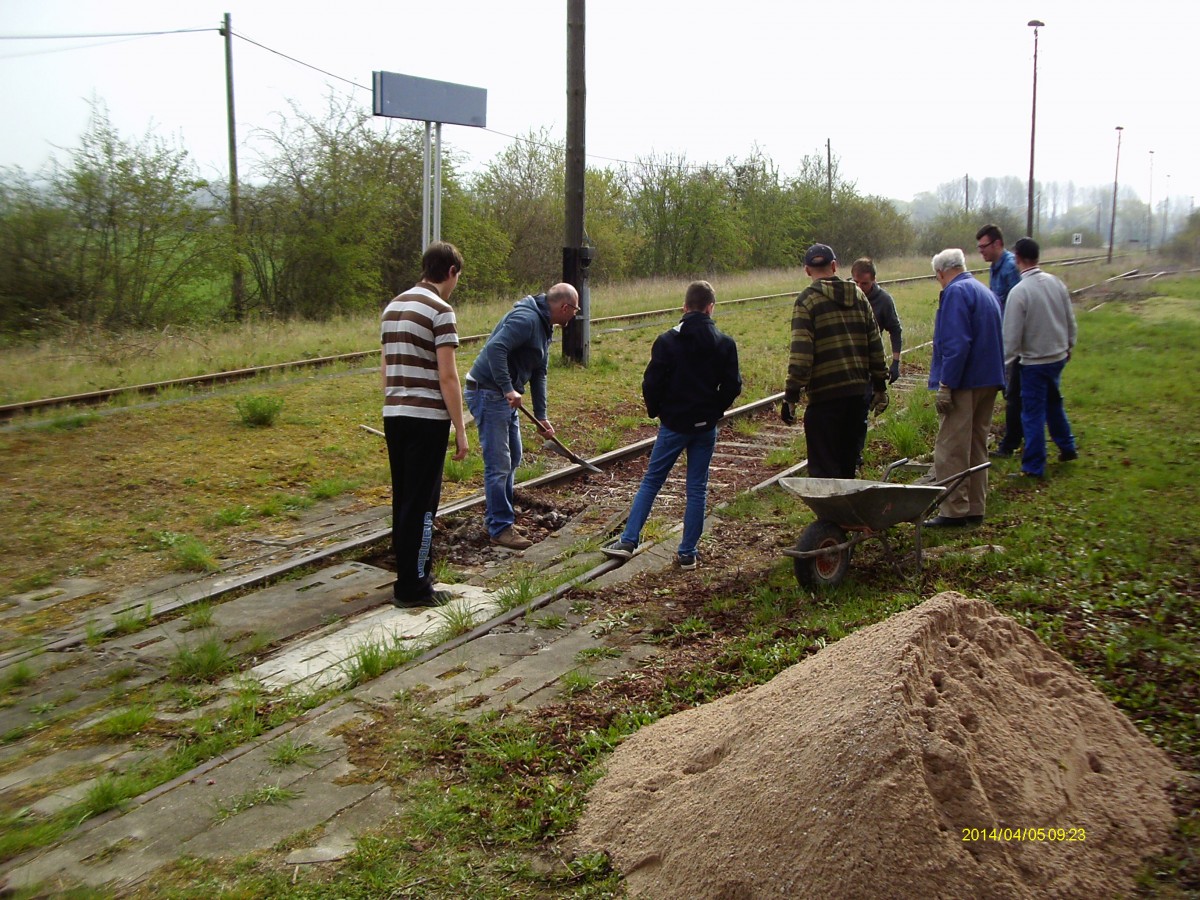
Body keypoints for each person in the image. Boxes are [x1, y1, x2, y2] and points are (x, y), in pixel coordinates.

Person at [602, 281, 741, 570]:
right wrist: (715, 410)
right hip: (705, 427)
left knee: (652, 480)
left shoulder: (667, 341)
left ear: (685, 307)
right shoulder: (725, 343)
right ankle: (688, 552)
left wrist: (658, 412)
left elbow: (651, 382)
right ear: (710, 308)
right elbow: (732, 385)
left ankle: (628, 540)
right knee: (697, 488)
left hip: (674, 424)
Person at [381, 241, 470, 608]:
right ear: (451, 272)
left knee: (404, 498)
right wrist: (460, 429)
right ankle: (414, 588)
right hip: (426, 419)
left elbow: (386, 367)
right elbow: (448, 377)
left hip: (394, 414)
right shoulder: (441, 310)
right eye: (457, 278)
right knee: (423, 505)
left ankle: (410, 576)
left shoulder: (393, 306)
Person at [465, 282, 580, 550]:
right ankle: (500, 527)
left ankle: (501, 516)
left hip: (503, 395)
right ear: (565, 307)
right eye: (574, 311)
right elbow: (495, 349)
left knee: (513, 457)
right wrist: (508, 388)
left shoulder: (545, 324)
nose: (574, 316)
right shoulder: (527, 319)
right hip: (489, 392)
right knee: (499, 464)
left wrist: (542, 416)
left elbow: (539, 371)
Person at [780, 244, 888, 478]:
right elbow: (875, 344)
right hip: (858, 393)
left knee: (824, 467)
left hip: (825, 397)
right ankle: (846, 512)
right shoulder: (859, 295)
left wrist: (791, 396)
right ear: (834, 266)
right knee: (848, 463)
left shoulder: (806, 301)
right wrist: (880, 386)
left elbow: (801, 355)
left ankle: (830, 514)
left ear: (807, 270)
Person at [925, 248, 1006, 527]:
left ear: (941, 273)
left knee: (951, 448)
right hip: (989, 379)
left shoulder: (956, 293)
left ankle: (953, 511)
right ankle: (975, 506)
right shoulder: (984, 291)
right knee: (976, 445)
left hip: (965, 382)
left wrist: (947, 383)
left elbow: (957, 344)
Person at [1003, 237, 1079, 478]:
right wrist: (1069, 345)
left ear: (1017, 258)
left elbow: (1011, 337)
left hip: (1034, 362)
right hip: (1057, 357)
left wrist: (1003, 366)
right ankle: (1067, 446)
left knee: (1032, 412)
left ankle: (1033, 466)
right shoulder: (1056, 283)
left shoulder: (1020, 291)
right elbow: (1070, 320)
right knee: (1054, 403)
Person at [976, 223, 1023, 458]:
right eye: (979, 247)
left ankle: (1012, 443)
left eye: (984, 246)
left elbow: (1020, 306)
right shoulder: (995, 266)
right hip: (1001, 339)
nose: (981, 251)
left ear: (997, 244)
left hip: (1014, 341)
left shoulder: (1011, 267)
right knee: (1011, 391)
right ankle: (1016, 437)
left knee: (1014, 392)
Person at [850, 257, 903, 467]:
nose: (860, 287)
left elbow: (895, 330)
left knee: (862, 409)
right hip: (848, 360)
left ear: (873, 280)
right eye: (856, 282)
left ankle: (856, 454)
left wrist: (896, 362)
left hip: (869, 364)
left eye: (864, 283)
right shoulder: (847, 293)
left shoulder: (883, 301)